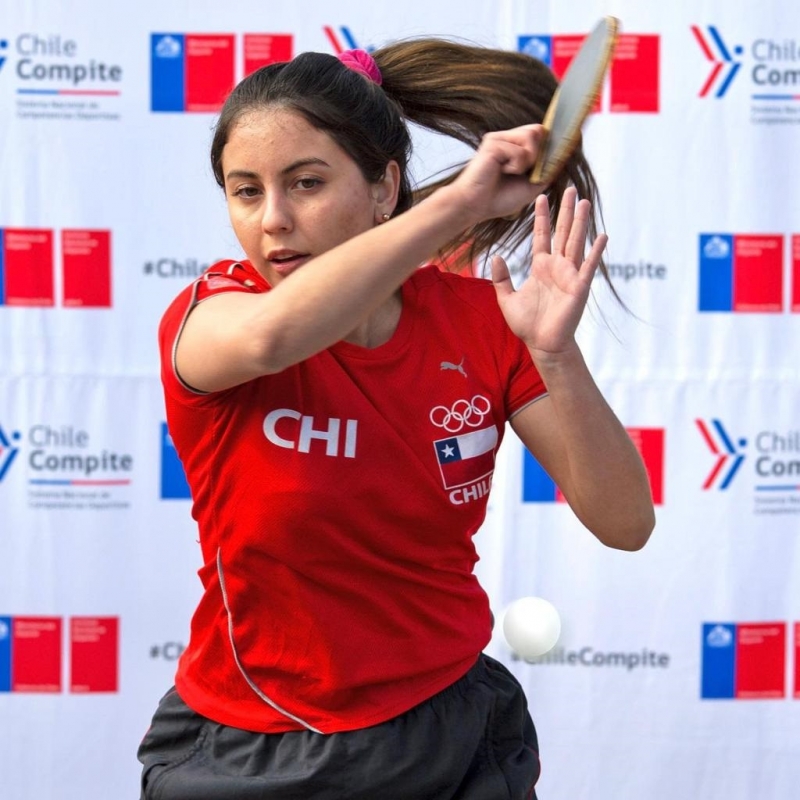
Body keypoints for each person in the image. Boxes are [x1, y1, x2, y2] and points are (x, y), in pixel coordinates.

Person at [138, 40, 655, 800]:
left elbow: (626, 522)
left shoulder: (483, 323)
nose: (273, 219)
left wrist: (555, 355)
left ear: (384, 188)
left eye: (306, 183)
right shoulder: (213, 317)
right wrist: (463, 202)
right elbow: (276, 334)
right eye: (245, 192)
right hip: (258, 745)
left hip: (449, 732)